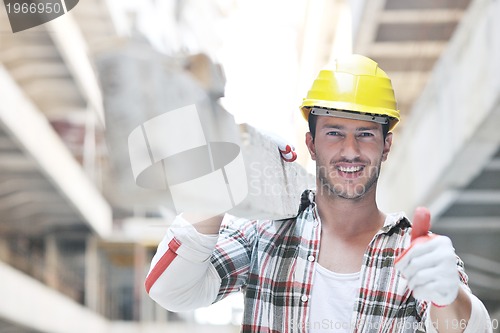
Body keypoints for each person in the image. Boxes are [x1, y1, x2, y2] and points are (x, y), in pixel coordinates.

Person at [145, 54, 492, 332]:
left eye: (366, 134)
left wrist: (448, 297)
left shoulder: (416, 254)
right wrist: (217, 188)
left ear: (387, 145)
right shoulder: (265, 232)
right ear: (311, 143)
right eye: (335, 133)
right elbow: (172, 290)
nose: (351, 150)